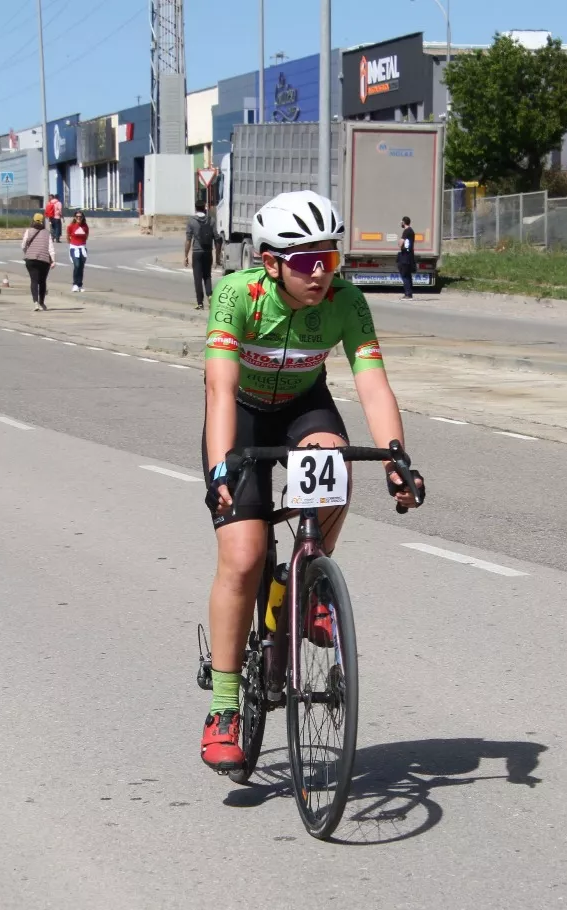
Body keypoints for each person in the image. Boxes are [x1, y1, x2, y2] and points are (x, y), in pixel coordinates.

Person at [197, 189, 424, 772]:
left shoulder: (346, 300)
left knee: (337, 459)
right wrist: (223, 462)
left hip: (303, 405)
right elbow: (219, 388)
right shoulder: (236, 295)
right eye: (306, 262)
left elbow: (372, 382)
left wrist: (398, 456)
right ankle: (224, 708)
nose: (321, 274)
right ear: (271, 262)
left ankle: (302, 584)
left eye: (331, 258)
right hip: (242, 413)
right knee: (244, 556)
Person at [184, 200, 217, 310]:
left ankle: (200, 303)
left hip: (197, 252)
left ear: (195, 208)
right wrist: (217, 255)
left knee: (197, 277)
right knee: (207, 275)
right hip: (208, 252)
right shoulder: (211, 220)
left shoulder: (191, 221)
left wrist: (185, 255)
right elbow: (216, 237)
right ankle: (210, 295)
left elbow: (188, 239)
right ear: (204, 208)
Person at [21, 211, 54, 311]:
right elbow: (51, 248)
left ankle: (35, 303)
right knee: (42, 281)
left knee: (34, 280)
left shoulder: (28, 231)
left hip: (31, 260)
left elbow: (23, 245)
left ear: (33, 220)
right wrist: (53, 260)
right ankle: (42, 302)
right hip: (44, 260)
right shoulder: (47, 233)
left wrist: (27, 252)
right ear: (43, 222)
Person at [66, 211, 89, 292]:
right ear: (75, 217)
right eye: (77, 216)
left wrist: (81, 244)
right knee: (77, 265)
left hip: (82, 248)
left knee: (81, 267)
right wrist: (73, 244)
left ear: (83, 218)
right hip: (74, 248)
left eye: (80, 216)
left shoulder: (85, 226)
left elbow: (86, 236)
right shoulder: (71, 226)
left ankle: (80, 285)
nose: (79, 218)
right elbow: (68, 237)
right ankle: (75, 284)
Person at [397, 215, 417, 299]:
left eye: (401, 222)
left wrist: (399, 243)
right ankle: (409, 293)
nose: (401, 223)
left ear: (404, 222)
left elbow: (401, 243)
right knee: (408, 275)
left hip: (405, 255)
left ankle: (407, 293)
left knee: (404, 275)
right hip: (410, 255)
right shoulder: (411, 231)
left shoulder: (406, 231)